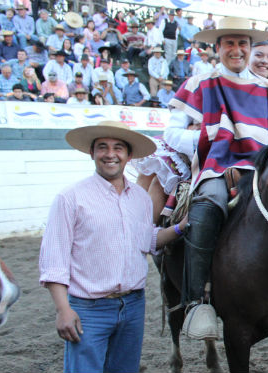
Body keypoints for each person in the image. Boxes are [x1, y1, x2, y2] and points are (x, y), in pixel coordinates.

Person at [164, 17, 268, 340]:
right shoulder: (199, 84)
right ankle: (197, 301)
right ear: (218, 47)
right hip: (216, 169)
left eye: (243, 44)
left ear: (250, 49)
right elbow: (171, 132)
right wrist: (215, 139)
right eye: (230, 44)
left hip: (265, 172)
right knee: (207, 205)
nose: (236, 50)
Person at [39, 120, 185, 373]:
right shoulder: (70, 198)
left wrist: (183, 226)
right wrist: (63, 310)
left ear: (128, 156)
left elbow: (147, 240)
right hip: (88, 309)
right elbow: (54, 259)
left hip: (132, 306)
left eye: (118, 148)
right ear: (92, 153)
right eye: (102, 147)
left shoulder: (140, 198)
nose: (110, 154)